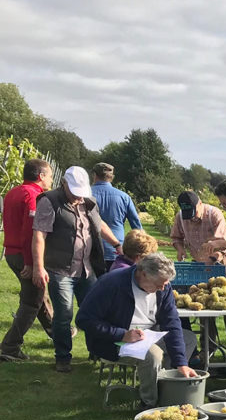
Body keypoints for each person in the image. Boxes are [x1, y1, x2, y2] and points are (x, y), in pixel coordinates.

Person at [76, 253, 198, 407]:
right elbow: (83, 319)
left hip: (148, 335)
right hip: (113, 341)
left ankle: (164, 389)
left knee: (189, 339)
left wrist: (181, 363)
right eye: (158, 283)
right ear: (143, 273)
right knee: (153, 355)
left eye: (165, 284)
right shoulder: (112, 283)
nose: (162, 288)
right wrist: (122, 335)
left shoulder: (163, 287)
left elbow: (171, 323)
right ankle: (150, 404)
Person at [32, 166, 121, 372]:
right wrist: (38, 266)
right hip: (59, 269)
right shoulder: (50, 201)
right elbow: (39, 236)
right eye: (75, 192)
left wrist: (117, 244)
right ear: (64, 184)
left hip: (87, 269)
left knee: (94, 312)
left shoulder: (88, 202)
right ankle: (63, 357)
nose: (79, 197)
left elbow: (100, 225)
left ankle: (96, 352)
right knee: (64, 315)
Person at [1, 158, 54, 361]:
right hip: (24, 254)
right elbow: (30, 232)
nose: (50, 180)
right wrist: (31, 263)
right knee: (31, 302)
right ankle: (10, 347)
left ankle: (58, 333)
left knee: (38, 294)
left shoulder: (13, 192)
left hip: (11, 251)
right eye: (49, 176)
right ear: (41, 176)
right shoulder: (34, 196)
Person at [171, 190, 226, 350]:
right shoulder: (181, 216)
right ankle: (208, 348)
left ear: (200, 204)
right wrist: (180, 249)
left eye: (193, 212)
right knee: (203, 303)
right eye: (187, 213)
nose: (191, 217)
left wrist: (212, 259)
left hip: (222, 264)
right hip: (199, 264)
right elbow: (176, 237)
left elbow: (222, 242)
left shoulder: (214, 214)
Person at [90, 163, 141, 270]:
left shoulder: (86, 195)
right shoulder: (124, 197)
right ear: (111, 177)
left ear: (94, 175)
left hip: (91, 248)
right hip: (116, 249)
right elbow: (136, 226)